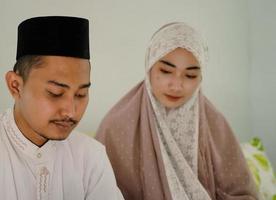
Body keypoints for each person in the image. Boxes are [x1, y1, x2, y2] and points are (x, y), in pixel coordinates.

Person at [0, 16, 123, 200]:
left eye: (81, 94)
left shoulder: (91, 156)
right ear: (15, 85)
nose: (70, 111)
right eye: (55, 93)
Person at [96, 22, 258, 200]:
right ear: (149, 66)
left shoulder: (216, 126)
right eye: (166, 71)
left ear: (201, 77)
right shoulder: (116, 127)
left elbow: (242, 192)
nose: (177, 85)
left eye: (190, 75)